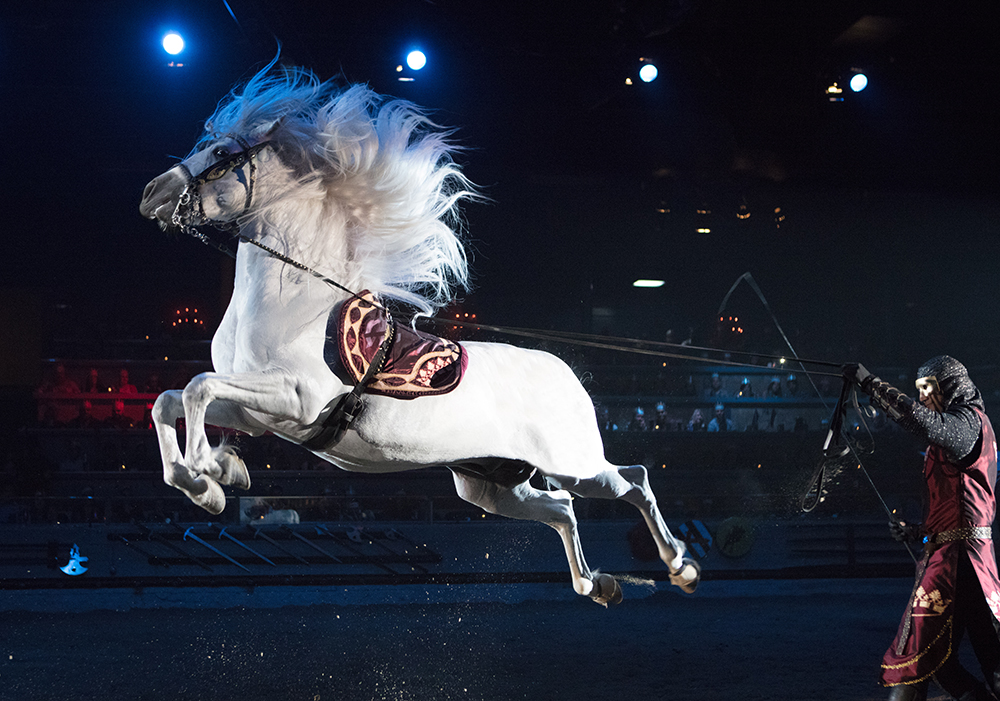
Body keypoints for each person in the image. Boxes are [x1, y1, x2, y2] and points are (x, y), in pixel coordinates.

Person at [845, 356, 1000, 701]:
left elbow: (924, 423)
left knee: (918, 659)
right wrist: (918, 532)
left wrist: (871, 383)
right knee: (953, 661)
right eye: (919, 388)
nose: (923, 395)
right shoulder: (965, 428)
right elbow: (958, 509)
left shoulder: (966, 423)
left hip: (958, 564)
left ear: (950, 386)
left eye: (929, 387)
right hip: (963, 560)